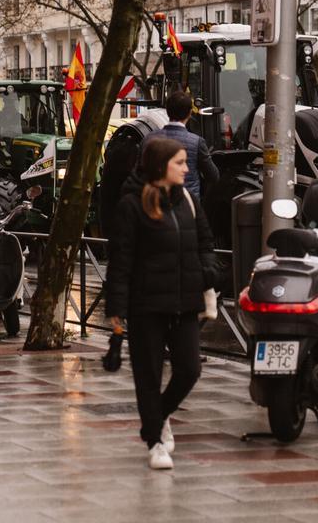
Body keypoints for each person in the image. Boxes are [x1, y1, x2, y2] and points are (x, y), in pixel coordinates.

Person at [107, 137, 219, 470]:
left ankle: (158, 415)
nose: (187, 168)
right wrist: (117, 312)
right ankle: (155, 441)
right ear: (160, 166)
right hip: (147, 307)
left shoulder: (186, 199)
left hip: (184, 302)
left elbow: (205, 241)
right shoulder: (131, 205)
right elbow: (121, 261)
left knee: (189, 369)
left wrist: (209, 270)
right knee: (148, 375)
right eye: (180, 163)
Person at [142, 90, 219, 200]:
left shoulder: (148, 139)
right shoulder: (197, 142)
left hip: (154, 202)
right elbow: (213, 176)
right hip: (187, 203)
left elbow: (139, 173)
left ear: (167, 111)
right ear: (189, 113)